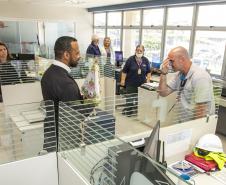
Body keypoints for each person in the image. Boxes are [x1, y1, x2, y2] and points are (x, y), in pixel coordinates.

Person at [41, 36, 92, 152]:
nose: (79, 56)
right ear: (66, 55)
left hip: (51, 133)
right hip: (65, 138)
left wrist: (80, 97)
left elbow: (62, 102)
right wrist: (92, 100)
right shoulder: (66, 83)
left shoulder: (48, 73)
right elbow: (78, 115)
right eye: (77, 52)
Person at [158, 46, 215, 121]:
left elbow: (201, 110)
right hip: (184, 120)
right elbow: (163, 93)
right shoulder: (179, 75)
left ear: (182, 59)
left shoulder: (200, 77)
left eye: (172, 61)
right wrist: (163, 73)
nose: (169, 64)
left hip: (196, 123)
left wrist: (193, 129)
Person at [120, 44, 151, 116]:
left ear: (143, 51)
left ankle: (139, 114)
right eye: (138, 50)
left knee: (139, 100)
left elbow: (148, 72)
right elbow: (124, 71)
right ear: (135, 50)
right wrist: (122, 80)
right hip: (131, 84)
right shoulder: (130, 59)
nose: (139, 52)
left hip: (142, 85)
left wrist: (148, 80)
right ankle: (129, 112)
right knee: (130, 100)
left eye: (141, 50)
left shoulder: (145, 60)